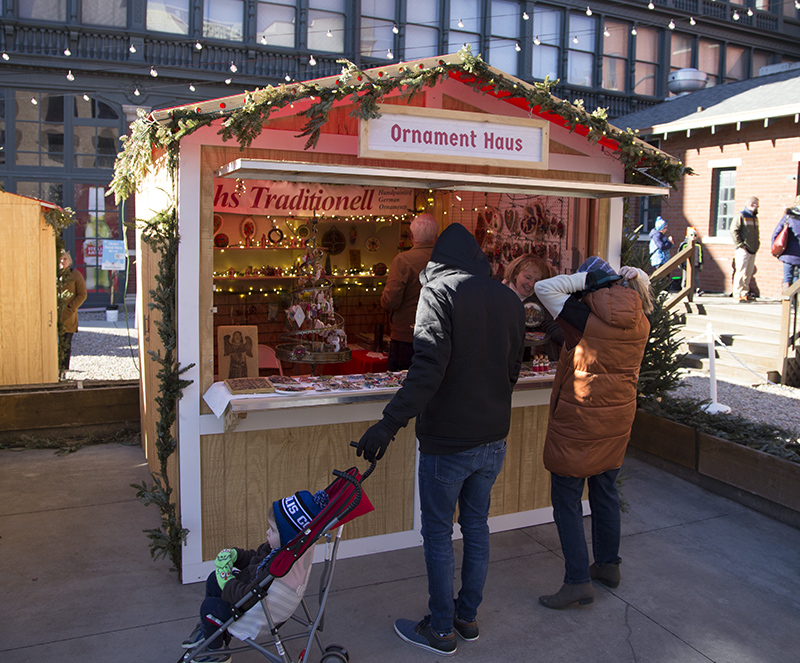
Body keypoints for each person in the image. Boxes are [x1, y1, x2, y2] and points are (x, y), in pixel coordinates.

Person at [355, 223, 525, 656]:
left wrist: (387, 424)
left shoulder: (439, 292)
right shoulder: (507, 298)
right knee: (476, 527)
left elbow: (427, 368)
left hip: (448, 440)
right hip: (492, 438)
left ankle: (442, 629)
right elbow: (512, 370)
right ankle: (466, 617)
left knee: (437, 534)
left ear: (438, 261)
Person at [533, 256, 653, 610]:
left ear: (589, 285)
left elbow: (544, 288)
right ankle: (607, 565)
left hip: (579, 420)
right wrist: (634, 276)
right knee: (605, 490)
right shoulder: (641, 319)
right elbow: (646, 289)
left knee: (567, 499)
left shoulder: (582, 318)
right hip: (616, 420)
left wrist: (583, 280)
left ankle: (577, 582)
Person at [182, 489, 329, 663]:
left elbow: (247, 596)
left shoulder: (277, 565)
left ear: (288, 538)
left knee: (209, 607)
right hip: (250, 594)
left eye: (273, 530)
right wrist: (236, 556)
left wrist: (227, 580)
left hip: (254, 609)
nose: (267, 532)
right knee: (214, 579)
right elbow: (255, 557)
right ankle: (213, 631)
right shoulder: (281, 551)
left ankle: (216, 653)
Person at [380, 213, 439, 370]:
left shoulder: (403, 260)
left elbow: (391, 300)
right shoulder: (447, 261)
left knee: (401, 384)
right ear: (436, 237)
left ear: (412, 236)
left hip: (406, 336)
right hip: (439, 335)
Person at [502, 253, 564, 361]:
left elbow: (549, 325)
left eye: (536, 281)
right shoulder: (498, 293)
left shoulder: (537, 300)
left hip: (522, 361)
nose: (531, 284)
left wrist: (572, 343)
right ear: (516, 274)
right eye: (528, 277)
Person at [58, 250, 87, 379]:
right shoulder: (52, 274)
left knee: (65, 344)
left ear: (69, 261)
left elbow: (82, 294)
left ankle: (63, 370)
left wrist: (71, 307)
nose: (62, 261)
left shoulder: (75, 275)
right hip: (53, 315)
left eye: (64, 259)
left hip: (68, 315)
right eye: (59, 259)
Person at [731, 196, 760, 302]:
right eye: (757, 204)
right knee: (741, 271)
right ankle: (737, 293)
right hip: (743, 249)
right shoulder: (741, 216)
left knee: (749, 272)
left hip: (753, 248)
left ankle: (745, 292)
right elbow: (734, 230)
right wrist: (740, 244)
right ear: (752, 204)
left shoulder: (754, 217)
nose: (758, 206)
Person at [772, 195, 800, 291]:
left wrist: (775, 249)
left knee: (787, 278)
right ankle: (797, 303)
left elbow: (776, 233)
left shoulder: (788, 217)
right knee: (798, 280)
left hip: (788, 253)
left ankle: (786, 302)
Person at [678, 227, 704, 295]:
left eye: (695, 235)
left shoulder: (698, 245)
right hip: (686, 264)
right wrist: (680, 263)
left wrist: (700, 263)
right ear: (687, 236)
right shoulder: (684, 244)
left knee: (696, 277)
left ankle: (698, 289)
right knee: (685, 277)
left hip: (695, 264)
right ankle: (683, 289)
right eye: (691, 235)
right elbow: (680, 254)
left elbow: (700, 255)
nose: (693, 237)